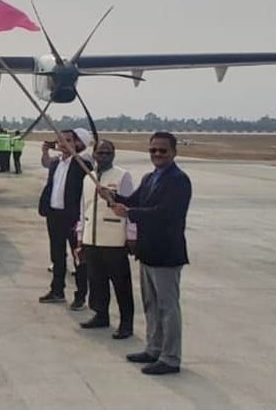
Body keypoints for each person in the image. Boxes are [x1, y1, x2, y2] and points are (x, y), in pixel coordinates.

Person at [101, 131, 191, 375]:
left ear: (174, 152)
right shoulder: (150, 177)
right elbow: (134, 201)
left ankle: (170, 358)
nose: (157, 154)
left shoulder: (179, 180)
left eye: (163, 150)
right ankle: (154, 348)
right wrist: (112, 197)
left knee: (168, 307)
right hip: (148, 251)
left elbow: (166, 213)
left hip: (167, 253)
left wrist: (129, 213)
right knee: (151, 304)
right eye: (153, 150)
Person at [76, 139, 136, 339]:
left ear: (114, 155)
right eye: (100, 153)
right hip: (91, 238)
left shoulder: (122, 176)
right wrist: (80, 236)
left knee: (121, 284)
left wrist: (132, 236)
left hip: (114, 240)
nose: (103, 156)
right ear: (93, 154)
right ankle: (101, 315)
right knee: (96, 281)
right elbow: (83, 208)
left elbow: (131, 207)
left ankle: (126, 323)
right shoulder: (88, 178)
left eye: (108, 153)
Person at [37, 129, 91, 309]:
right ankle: (57, 291)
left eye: (68, 140)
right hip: (54, 215)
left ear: (77, 144)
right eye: (60, 140)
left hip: (73, 217)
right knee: (57, 255)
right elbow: (46, 164)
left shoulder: (82, 165)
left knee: (79, 257)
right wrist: (45, 151)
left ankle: (80, 295)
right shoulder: (56, 163)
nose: (63, 143)